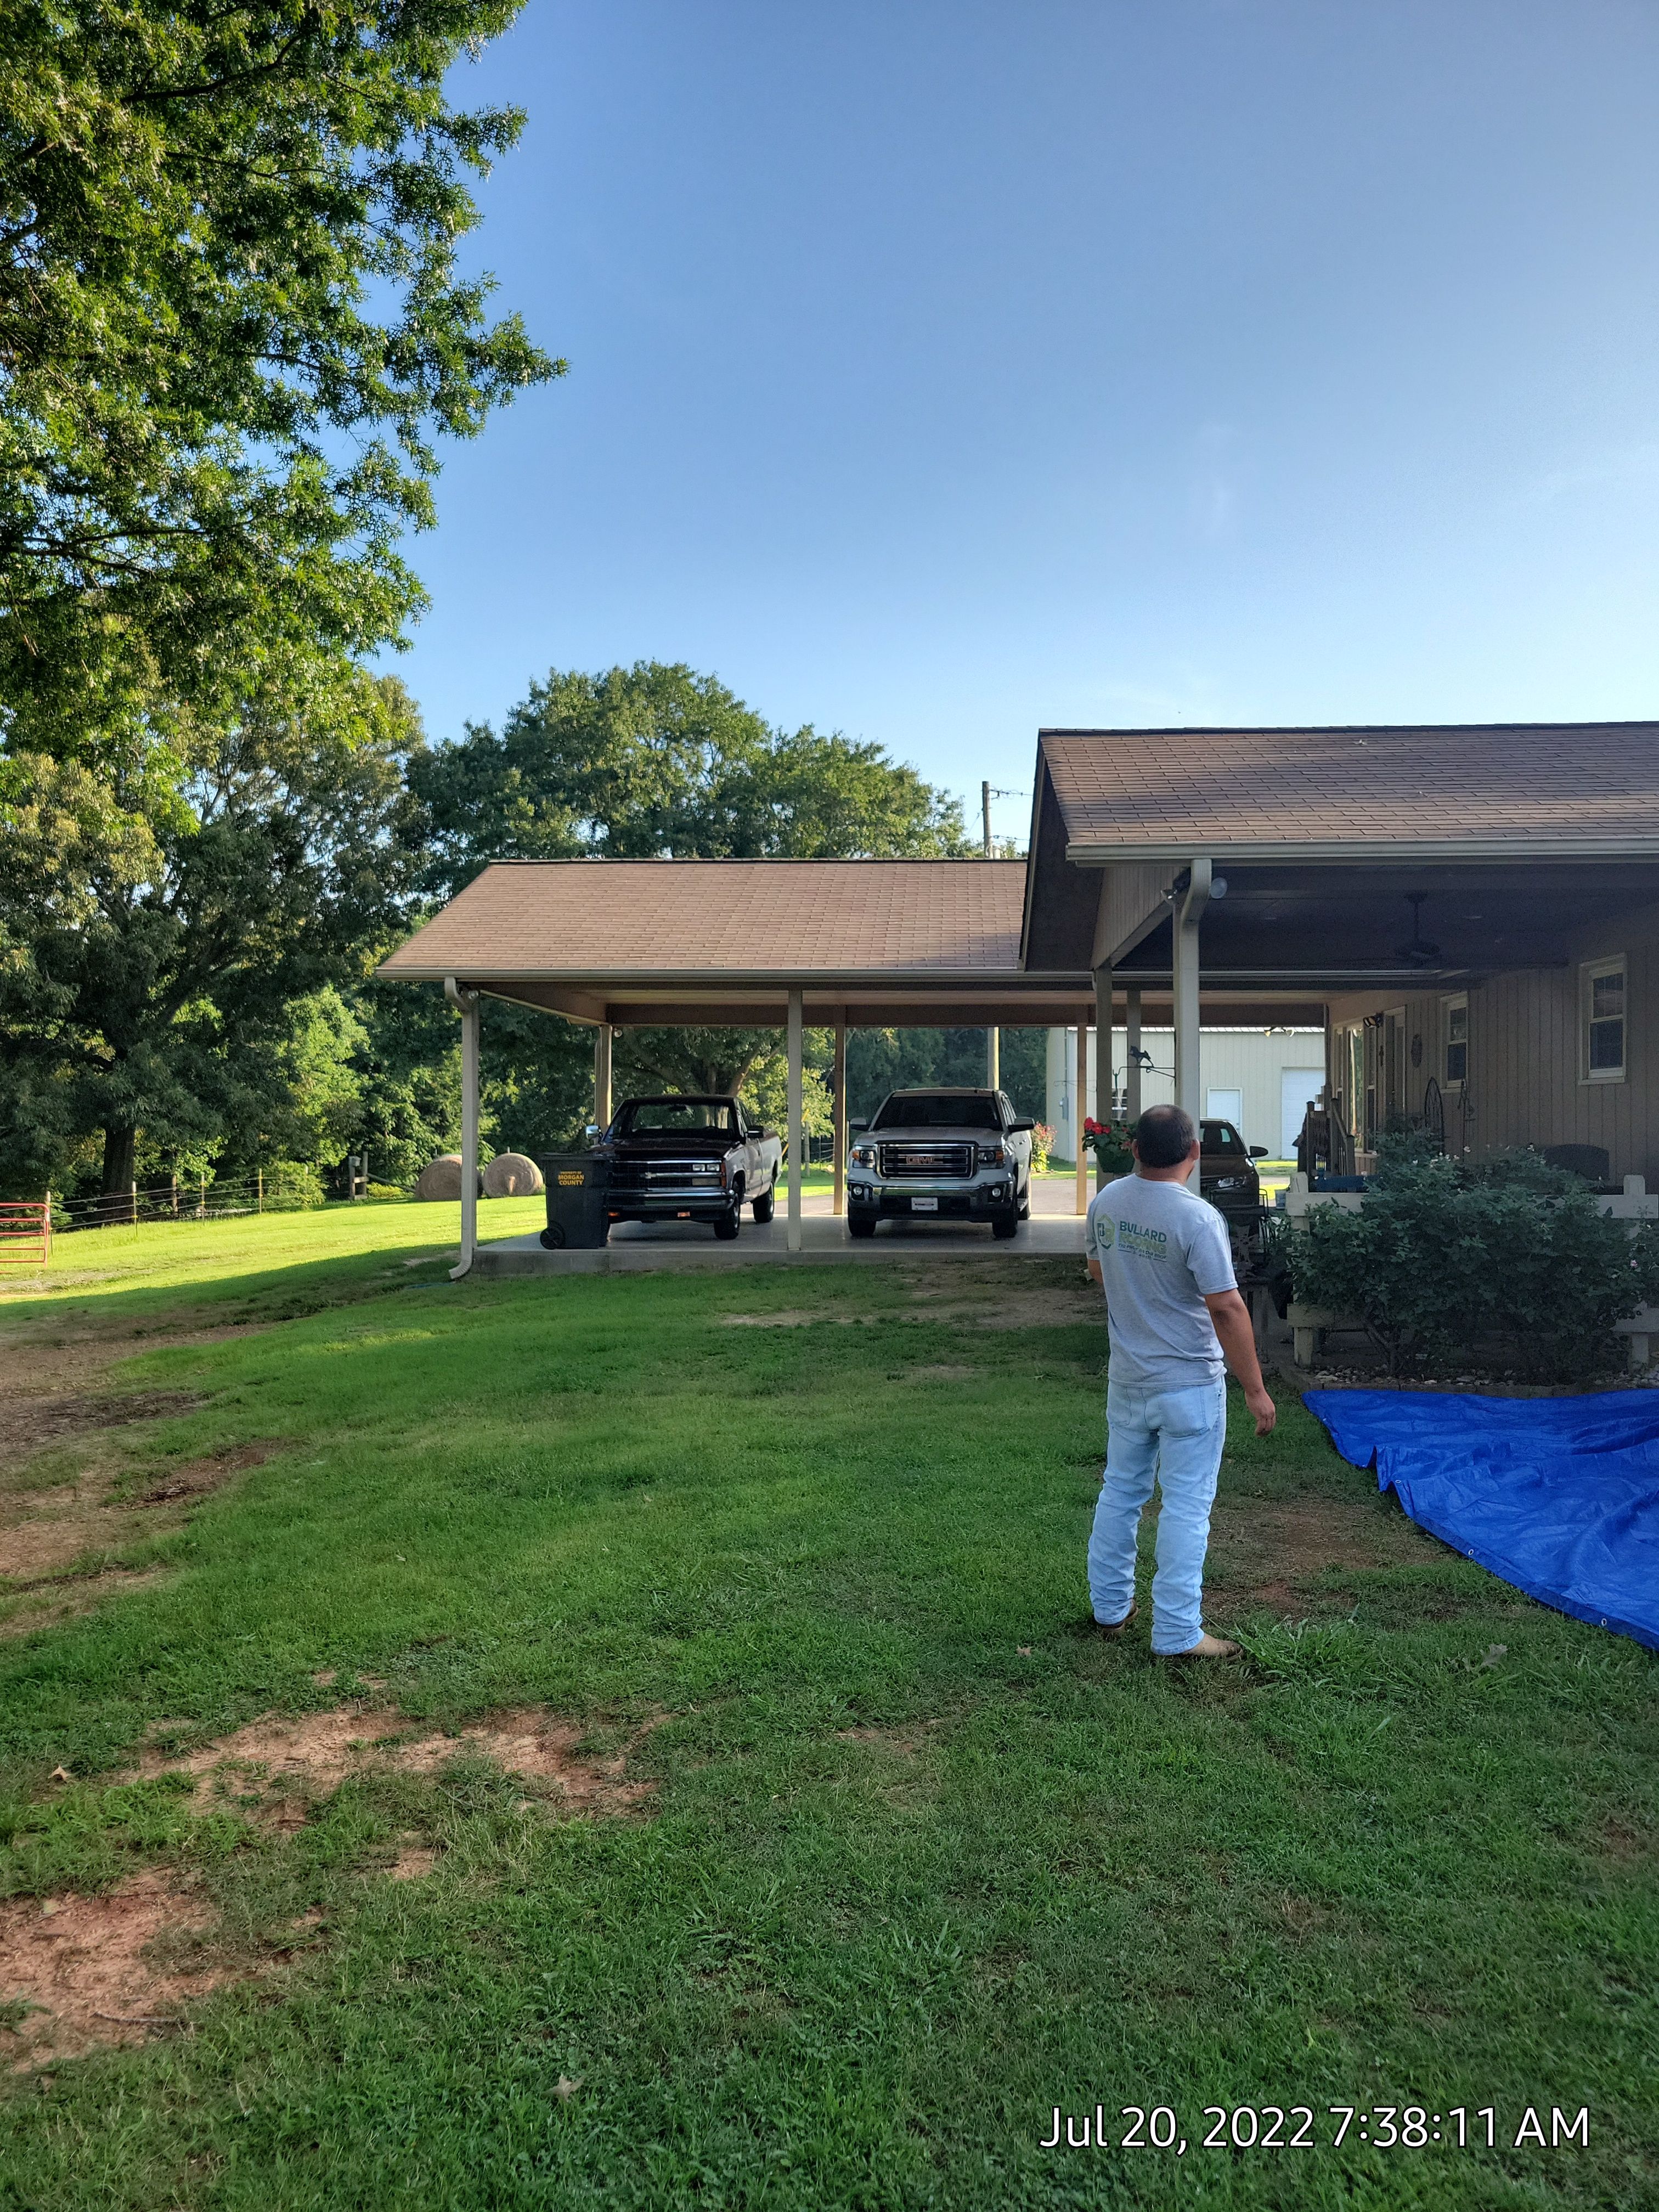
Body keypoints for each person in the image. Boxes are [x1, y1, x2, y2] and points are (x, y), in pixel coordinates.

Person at [1084, 1101, 1277, 1660]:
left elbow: (1099, 1270)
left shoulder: (1107, 1202)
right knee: (1188, 1506)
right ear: (1194, 1153)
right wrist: (1256, 1390)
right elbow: (1228, 1309)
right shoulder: (1197, 1219)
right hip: (1189, 1386)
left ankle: (1110, 1609)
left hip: (1128, 1381)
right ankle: (1176, 1633)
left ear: (1136, 1149)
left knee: (1120, 1493)